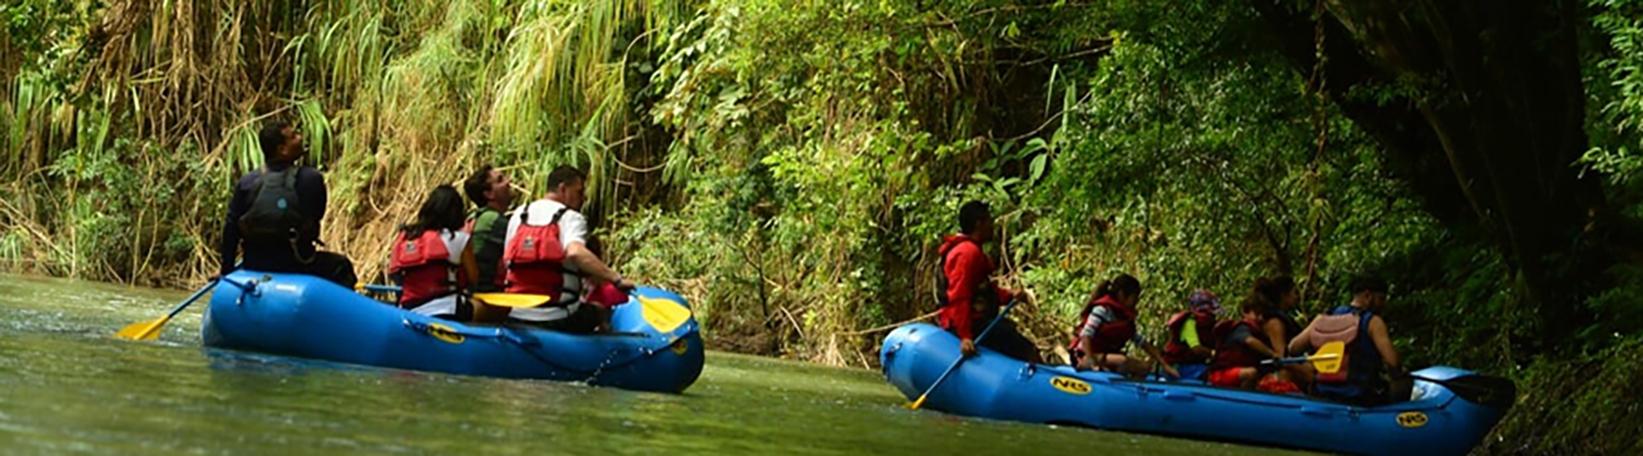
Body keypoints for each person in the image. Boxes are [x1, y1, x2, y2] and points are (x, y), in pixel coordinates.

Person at [219, 119, 356, 288]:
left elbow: (230, 229)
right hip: (299, 263)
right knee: (342, 266)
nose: (300, 138)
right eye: (293, 136)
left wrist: (226, 271)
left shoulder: (247, 182)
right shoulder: (311, 178)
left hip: (255, 265)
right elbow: (316, 215)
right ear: (282, 149)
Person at [500, 165, 633, 333]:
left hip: (515, 313)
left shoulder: (519, 213)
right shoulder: (571, 217)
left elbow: (506, 260)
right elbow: (576, 252)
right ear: (563, 188)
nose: (583, 198)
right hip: (559, 317)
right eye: (579, 192)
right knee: (599, 310)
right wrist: (616, 279)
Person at [936, 201, 1041, 363]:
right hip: (971, 324)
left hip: (975, 321)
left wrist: (1010, 296)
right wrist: (965, 336)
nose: (992, 226)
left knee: (1009, 333)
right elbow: (959, 296)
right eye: (989, 221)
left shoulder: (971, 250)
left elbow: (983, 289)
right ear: (979, 224)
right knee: (1029, 352)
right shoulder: (967, 253)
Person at [1289, 276, 1404, 405]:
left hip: (1322, 396)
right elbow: (1393, 362)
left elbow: (1293, 348)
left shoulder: (1324, 318)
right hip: (1360, 399)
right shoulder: (1373, 322)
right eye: (1381, 299)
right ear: (1368, 296)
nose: (1383, 305)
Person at [386, 185, 478, 320]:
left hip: (408, 310)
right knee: (488, 308)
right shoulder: (459, 238)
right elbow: (473, 278)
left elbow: (394, 273)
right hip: (447, 309)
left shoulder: (407, 237)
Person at [1067, 274, 1178, 377]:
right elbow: (1086, 336)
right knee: (1123, 361)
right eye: (1134, 298)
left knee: (1144, 367)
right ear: (1121, 294)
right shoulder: (1102, 310)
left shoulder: (1124, 318)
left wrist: (1164, 364)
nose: (1136, 302)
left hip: (1105, 357)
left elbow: (1142, 342)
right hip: (1086, 356)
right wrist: (1092, 361)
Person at [1206, 297, 1295, 393]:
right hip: (1221, 374)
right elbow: (1250, 341)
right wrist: (1272, 354)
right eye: (1257, 314)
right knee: (1251, 373)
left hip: (1239, 373)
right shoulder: (1241, 328)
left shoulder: (1258, 333)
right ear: (1245, 312)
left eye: (1262, 315)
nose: (1260, 318)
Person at [462, 165, 516, 293]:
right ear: (489, 194)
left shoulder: (472, 217)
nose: (508, 181)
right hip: (488, 293)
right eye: (500, 180)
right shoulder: (494, 221)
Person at [1252, 276, 1309, 386]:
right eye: (1294, 293)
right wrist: (1307, 372)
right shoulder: (1275, 322)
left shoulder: (1285, 319)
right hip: (1281, 374)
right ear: (1284, 295)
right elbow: (1281, 358)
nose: (1297, 297)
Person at [1160, 289, 1220, 381]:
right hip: (1178, 367)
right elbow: (1196, 348)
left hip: (1194, 365)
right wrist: (1214, 354)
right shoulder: (1189, 323)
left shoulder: (1208, 327)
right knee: (1213, 375)